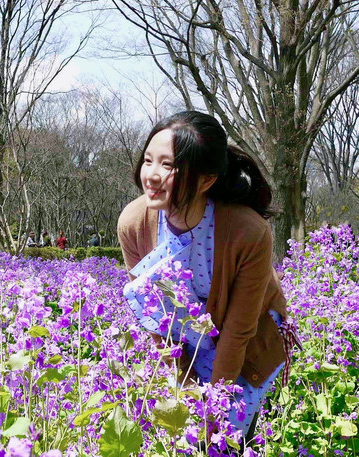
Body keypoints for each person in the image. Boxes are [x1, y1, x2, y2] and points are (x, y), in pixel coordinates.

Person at [117, 111, 300, 441]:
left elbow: (239, 330)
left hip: (244, 343)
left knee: (227, 436)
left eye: (168, 166)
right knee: (183, 433)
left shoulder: (248, 231)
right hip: (184, 340)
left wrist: (213, 406)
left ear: (206, 180)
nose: (151, 175)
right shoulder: (134, 223)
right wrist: (185, 384)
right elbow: (152, 315)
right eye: (148, 160)